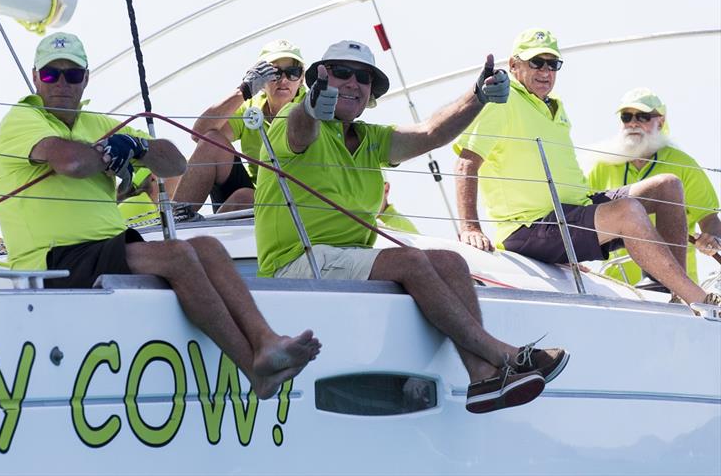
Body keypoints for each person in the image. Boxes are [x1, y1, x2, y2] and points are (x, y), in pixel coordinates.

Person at [0, 32, 320, 399]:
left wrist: (138, 146)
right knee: (179, 255)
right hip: (52, 258)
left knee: (209, 247)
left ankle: (267, 342)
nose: (62, 83)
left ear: (85, 79)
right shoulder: (23, 117)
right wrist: (109, 152)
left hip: (103, 248)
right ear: (37, 78)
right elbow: (71, 162)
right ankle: (253, 368)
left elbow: (175, 161)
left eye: (72, 75)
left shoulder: (95, 123)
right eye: (52, 75)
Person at [254, 39, 569, 414]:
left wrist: (478, 97)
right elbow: (299, 131)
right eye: (342, 73)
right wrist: (310, 105)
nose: (354, 82)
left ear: (371, 94)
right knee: (410, 262)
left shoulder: (371, 138)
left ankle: (483, 377)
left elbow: (431, 133)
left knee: (451, 262)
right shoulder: (293, 119)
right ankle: (504, 354)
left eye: (364, 77)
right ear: (318, 79)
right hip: (295, 264)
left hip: (343, 261)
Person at [453, 28, 719, 306]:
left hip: (569, 216)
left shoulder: (555, 106)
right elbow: (466, 162)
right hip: (530, 227)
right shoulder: (503, 101)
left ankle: (678, 293)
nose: (545, 71)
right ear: (513, 65)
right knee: (627, 212)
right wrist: (470, 226)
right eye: (536, 62)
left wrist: (568, 251)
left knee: (666, 185)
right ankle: (701, 301)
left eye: (552, 64)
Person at [586, 87, 721, 285]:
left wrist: (713, 239)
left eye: (643, 116)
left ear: (661, 121)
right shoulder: (602, 165)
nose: (633, 123)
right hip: (618, 286)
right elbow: (580, 212)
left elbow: (709, 218)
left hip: (676, 288)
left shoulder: (683, 164)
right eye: (626, 117)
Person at [172, 39, 306, 214]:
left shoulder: (310, 108)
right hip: (255, 199)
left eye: (292, 72)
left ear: (302, 78)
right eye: (273, 73)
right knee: (212, 141)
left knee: (245, 198)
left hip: (302, 202)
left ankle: (200, 236)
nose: (284, 80)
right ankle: (175, 220)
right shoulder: (250, 106)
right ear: (260, 79)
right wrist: (244, 91)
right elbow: (199, 134)